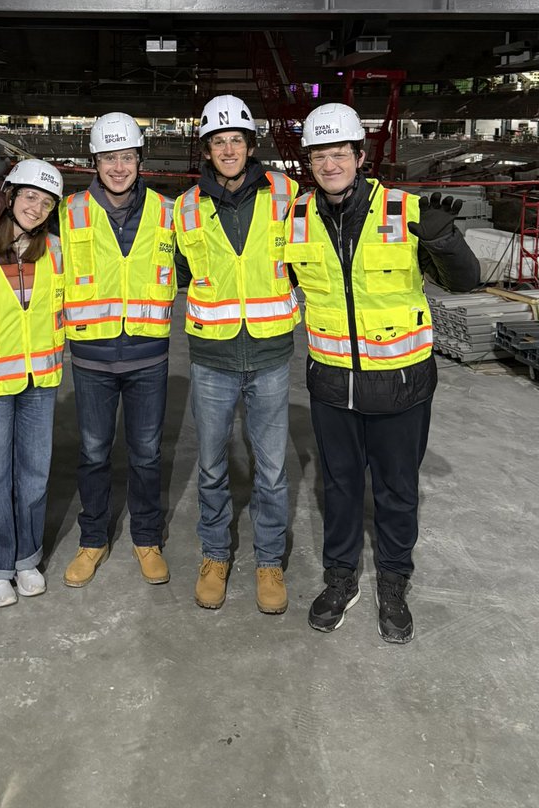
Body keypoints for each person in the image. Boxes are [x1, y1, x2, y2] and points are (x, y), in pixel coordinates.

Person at [288, 103, 480, 643]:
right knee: (340, 487)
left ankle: (394, 581)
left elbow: (464, 283)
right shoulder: (296, 217)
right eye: (319, 155)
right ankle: (341, 576)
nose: (329, 164)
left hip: (401, 384)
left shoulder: (404, 210)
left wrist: (445, 238)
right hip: (331, 384)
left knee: (397, 490)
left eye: (338, 153)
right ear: (310, 161)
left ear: (359, 155)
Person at [174, 95, 299, 614]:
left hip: (270, 352)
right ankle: (215, 554)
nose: (228, 149)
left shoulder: (287, 195)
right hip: (212, 356)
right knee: (210, 465)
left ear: (252, 146)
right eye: (218, 141)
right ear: (207, 148)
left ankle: (269, 560)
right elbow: (175, 273)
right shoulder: (184, 207)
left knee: (270, 469)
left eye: (236, 140)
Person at [60, 112, 176, 589]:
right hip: (92, 358)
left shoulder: (168, 213)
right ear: (95, 161)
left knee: (147, 454)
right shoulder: (69, 213)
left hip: (149, 356)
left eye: (126, 156)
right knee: (93, 452)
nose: (118, 166)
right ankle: (93, 540)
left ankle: (146, 538)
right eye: (109, 157)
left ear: (139, 159)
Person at [0, 159, 65, 607]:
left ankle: (26, 557)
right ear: (8, 198)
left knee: (34, 473)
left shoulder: (57, 252)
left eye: (45, 202)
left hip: (40, 380)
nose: (36, 207)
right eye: (29, 196)